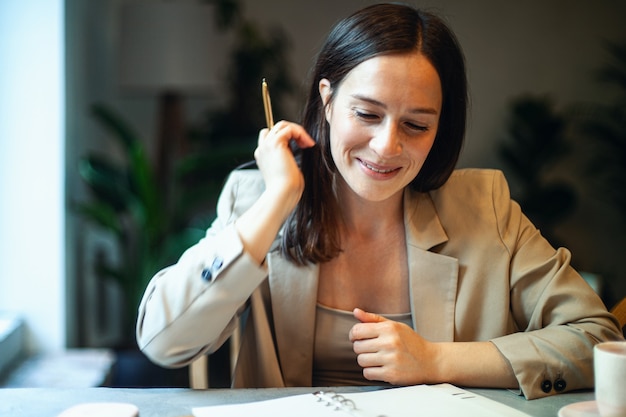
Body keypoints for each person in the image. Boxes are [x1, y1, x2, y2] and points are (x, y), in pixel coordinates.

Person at [136, 3, 624, 399]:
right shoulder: (255, 199)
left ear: (440, 127)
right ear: (326, 100)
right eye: (367, 113)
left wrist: (435, 360)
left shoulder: (485, 206)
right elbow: (164, 341)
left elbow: (597, 338)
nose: (387, 146)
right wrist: (277, 201)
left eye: (416, 125)